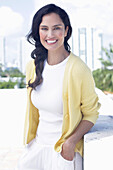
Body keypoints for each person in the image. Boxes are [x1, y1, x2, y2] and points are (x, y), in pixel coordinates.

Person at [15, 3, 100, 170]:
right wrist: (31, 143)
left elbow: (91, 114)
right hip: (36, 148)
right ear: (37, 31)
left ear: (66, 31)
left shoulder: (79, 69)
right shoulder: (32, 67)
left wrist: (70, 143)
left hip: (63, 154)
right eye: (44, 28)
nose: (50, 34)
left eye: (57, 28)